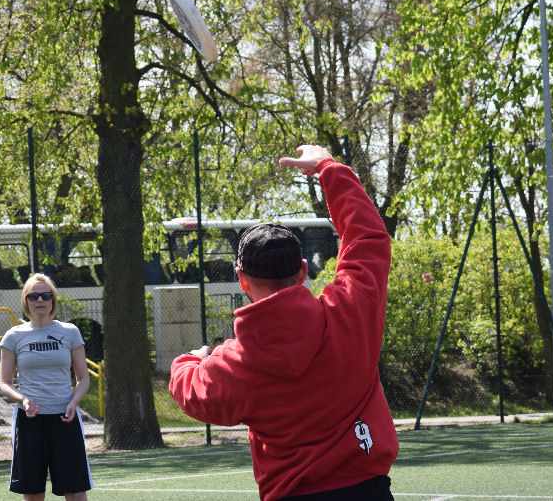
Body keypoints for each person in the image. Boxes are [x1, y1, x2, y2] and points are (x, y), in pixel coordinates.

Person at [169, 144, 399, 500]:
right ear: (304, 271)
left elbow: (193, 393)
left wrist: (190, 362)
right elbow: (368, 238)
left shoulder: (233, 366)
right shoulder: (350, 312)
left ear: (242, 281)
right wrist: (327, 167)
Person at [0, 273, 93, 501]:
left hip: (65, 419)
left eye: (45, 295)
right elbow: (4, 383)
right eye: (34, 296)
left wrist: (73, 402)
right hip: (30, 421)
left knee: (76, 491)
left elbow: (83, 378)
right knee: (33, 493)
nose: (40, 300)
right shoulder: (13, 336)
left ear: (52, 300)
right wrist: (24, 400)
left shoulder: (70, 332)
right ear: (26, 301)